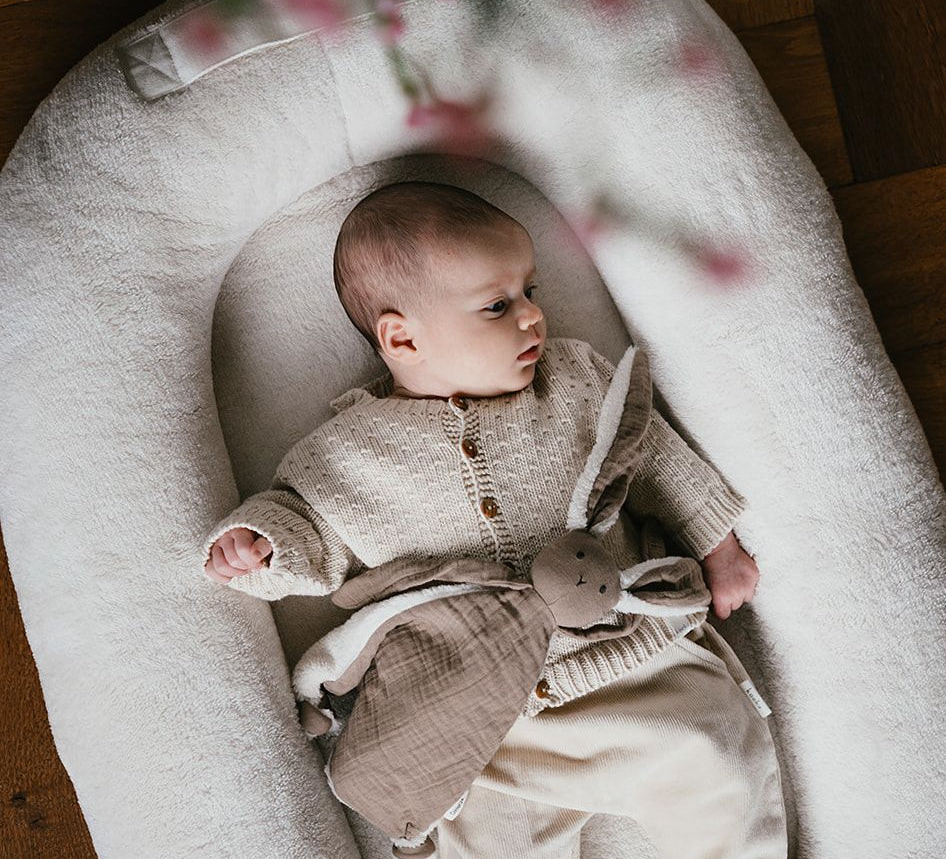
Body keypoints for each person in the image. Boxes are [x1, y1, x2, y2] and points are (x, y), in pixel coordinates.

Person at [201, 180, 787, 859]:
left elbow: (650, 455)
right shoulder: (349, 453)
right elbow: (309, 528)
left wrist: (719, 546)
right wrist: (260, 544)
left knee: (712, 755)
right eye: (498, 304)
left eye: (531, 291)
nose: (533, 316)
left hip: (628, 663)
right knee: (487, 832)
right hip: (480, 711)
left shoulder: (573, 383)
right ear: (400, 335)